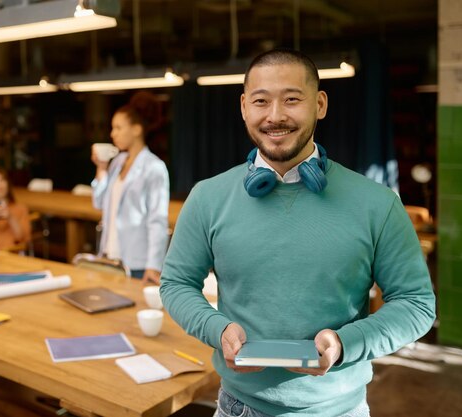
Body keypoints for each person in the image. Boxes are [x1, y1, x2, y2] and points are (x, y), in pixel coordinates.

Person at [160, 49, 436, 417]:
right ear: (244, 107)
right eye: (261, 101)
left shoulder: (378, 203)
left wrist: (345, 343)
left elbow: (416, 303)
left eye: (292, 99)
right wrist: (217, 329)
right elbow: (175, 283)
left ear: (320, 104)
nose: (275, 116)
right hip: (236, 407)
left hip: (341, 410)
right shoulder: (207, 197)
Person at [91, 91, 170, 283]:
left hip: (137, 263)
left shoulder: (154, 167)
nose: (112, 134)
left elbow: (157, 221)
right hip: (109, 255)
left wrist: (153, 265)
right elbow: (98, 202)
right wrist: (101, 169)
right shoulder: (117, 162)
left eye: (118, 128)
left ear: (136, 129)